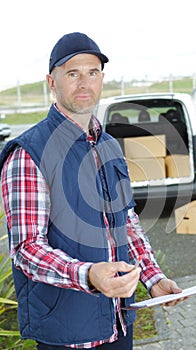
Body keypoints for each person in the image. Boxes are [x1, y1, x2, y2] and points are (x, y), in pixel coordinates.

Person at [0, 32, 184, 350]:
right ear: (51, 82)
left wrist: (153, 279)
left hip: (118, 324)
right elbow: (27, 249)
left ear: (101, 79)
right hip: (67, 334)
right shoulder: (30, 153)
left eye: (92, 72)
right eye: (73, 73)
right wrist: (87, 275)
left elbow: (127, 223)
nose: (84, 83)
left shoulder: (109, 145)